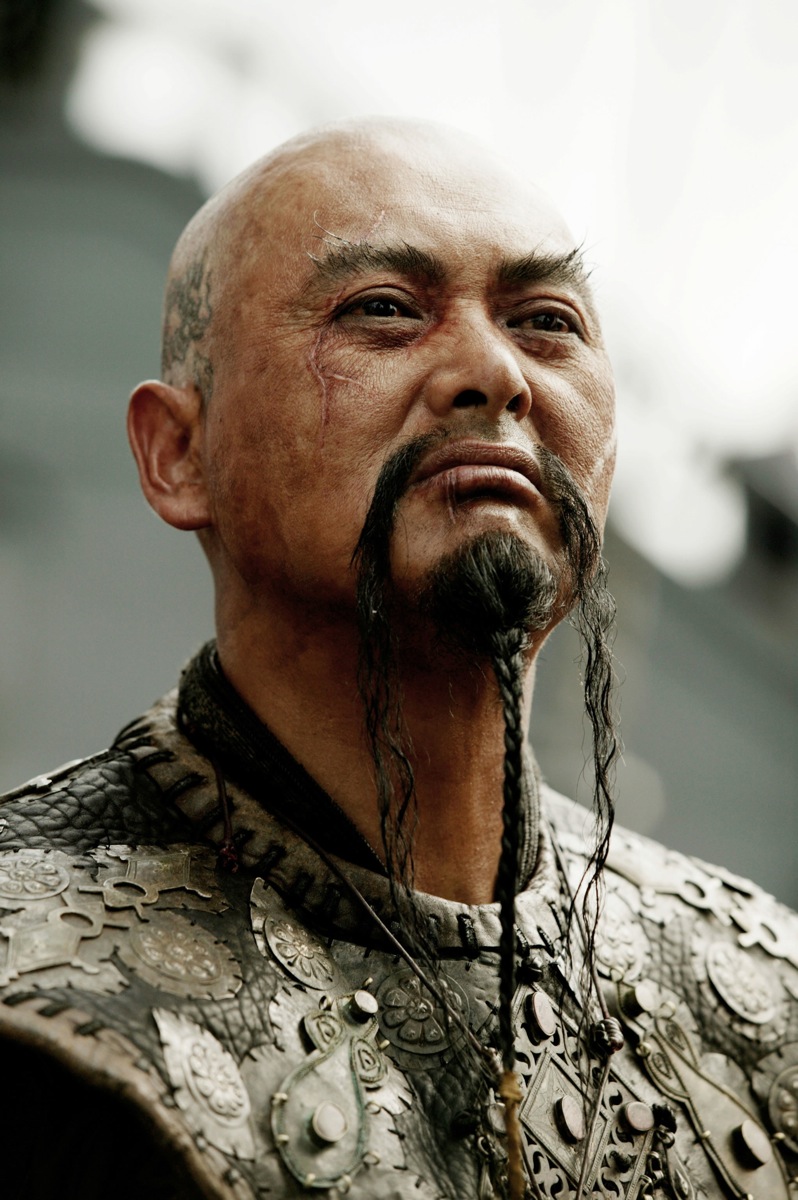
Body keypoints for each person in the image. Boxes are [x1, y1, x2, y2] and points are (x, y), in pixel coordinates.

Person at [1, 118, 796, 1200]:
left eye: (546, 322)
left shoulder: (762, 1002)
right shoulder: (33, 995)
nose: (494, 373)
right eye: (383, 310)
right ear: (179, 453)